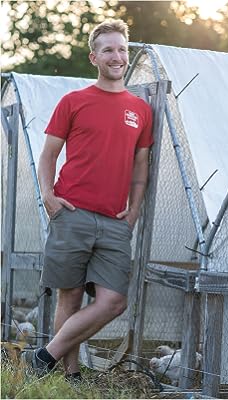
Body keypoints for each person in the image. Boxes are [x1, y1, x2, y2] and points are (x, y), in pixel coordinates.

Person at [21, 18, 153, 381]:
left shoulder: (140, 110)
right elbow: (48, 154)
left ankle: (42, 357)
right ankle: (71, 376)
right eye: (108, 49)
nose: (117, 56)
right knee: (71, 298)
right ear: (94, 57)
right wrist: (48, 196)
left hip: (115, 221)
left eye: (122, 49)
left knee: (113, 301)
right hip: (72, 212)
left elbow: (140, 167)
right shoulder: (74, 101)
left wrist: (134, 210)